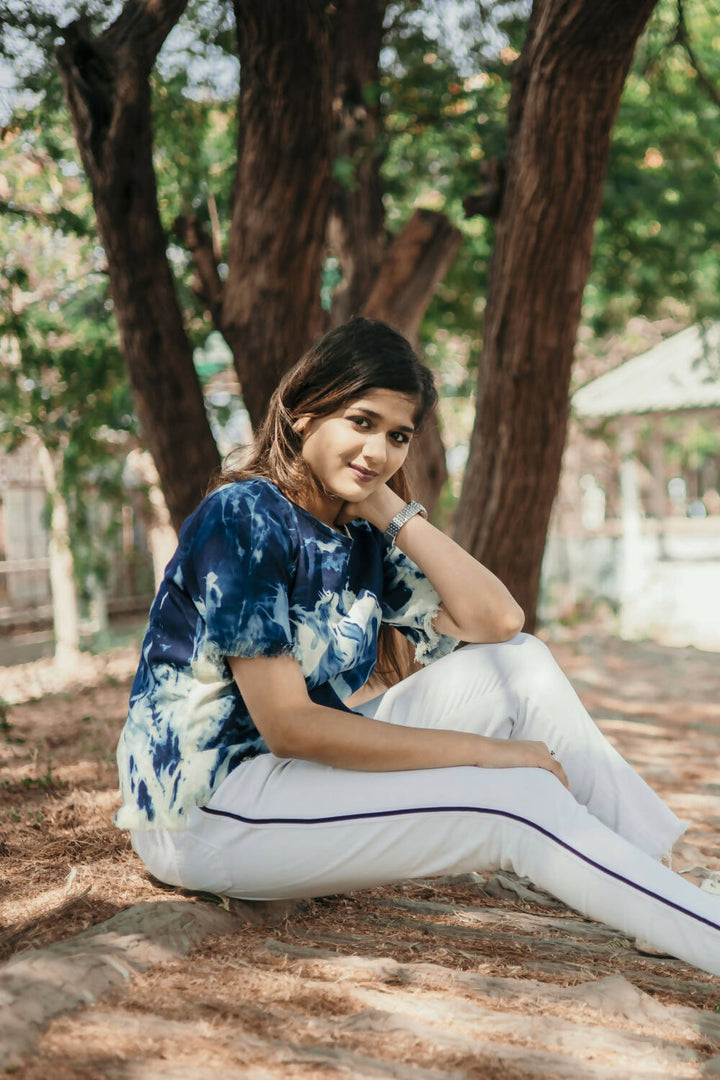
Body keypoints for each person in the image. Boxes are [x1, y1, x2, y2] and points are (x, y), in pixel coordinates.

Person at [116, 317, 720, 977]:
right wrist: (489, 756)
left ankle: (667, 884)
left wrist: (391, 509)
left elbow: (498, 620)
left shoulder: (357, 534)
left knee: (520, 666)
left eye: (397, 436)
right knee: (516, 799)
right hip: (207, 812)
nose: (376, 450)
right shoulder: (242, 519)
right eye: (360, 421)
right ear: (301, 413)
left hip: (293, 782)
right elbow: (289, 727)